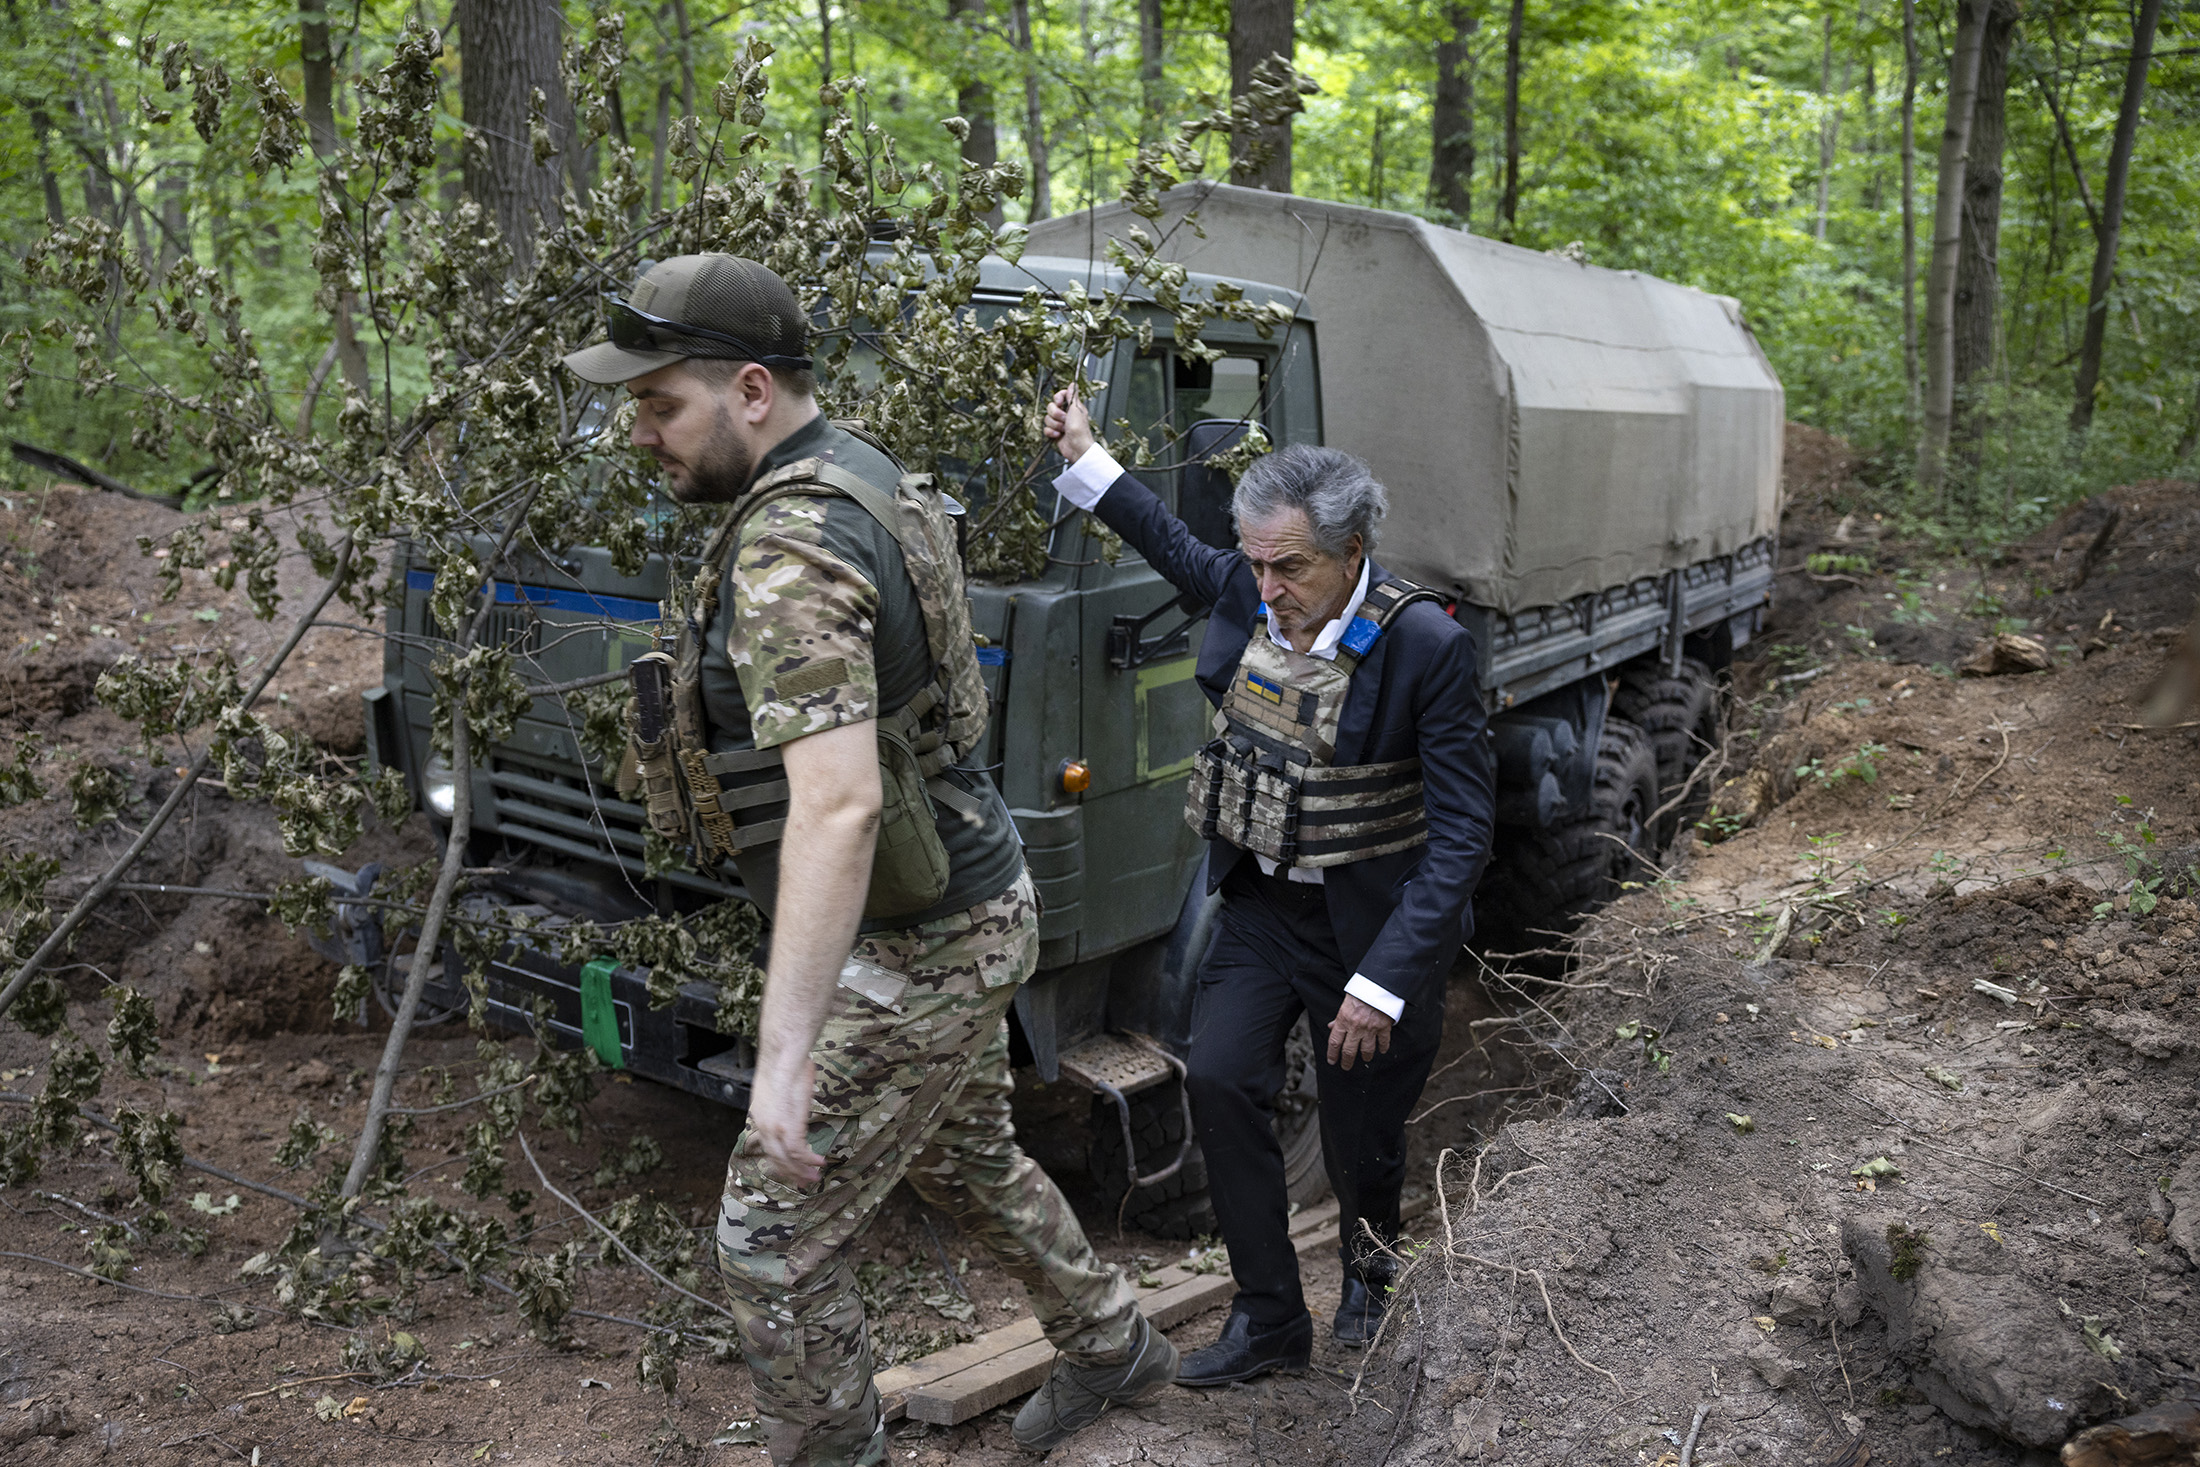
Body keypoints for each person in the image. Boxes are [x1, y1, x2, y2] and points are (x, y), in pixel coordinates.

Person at [563, 255, 1174, 1466]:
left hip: (926, 930)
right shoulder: (855, 471)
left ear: (748, 390)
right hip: (962, 896)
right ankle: (1113, 1347)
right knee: (963, 1157)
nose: (639, 434)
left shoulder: (792, 549)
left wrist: (783, 1059)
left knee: (769, 1239)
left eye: (658, 404)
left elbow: (836, 810)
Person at [1043, 389, 1497, 1385]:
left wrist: (1382, 983)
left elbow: (1463, 832)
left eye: (1287, 567)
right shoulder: (1253, 589)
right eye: (1253, 563)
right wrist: (1085, 456)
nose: (1265, 587)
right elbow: (1169, 542)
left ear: (1351, 550)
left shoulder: (1427, 646)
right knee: (1217, 1081)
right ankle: (1267, 1320)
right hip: (1260, 907)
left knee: (1357, 1138)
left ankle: (1370, 1272)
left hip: (1368, 931)